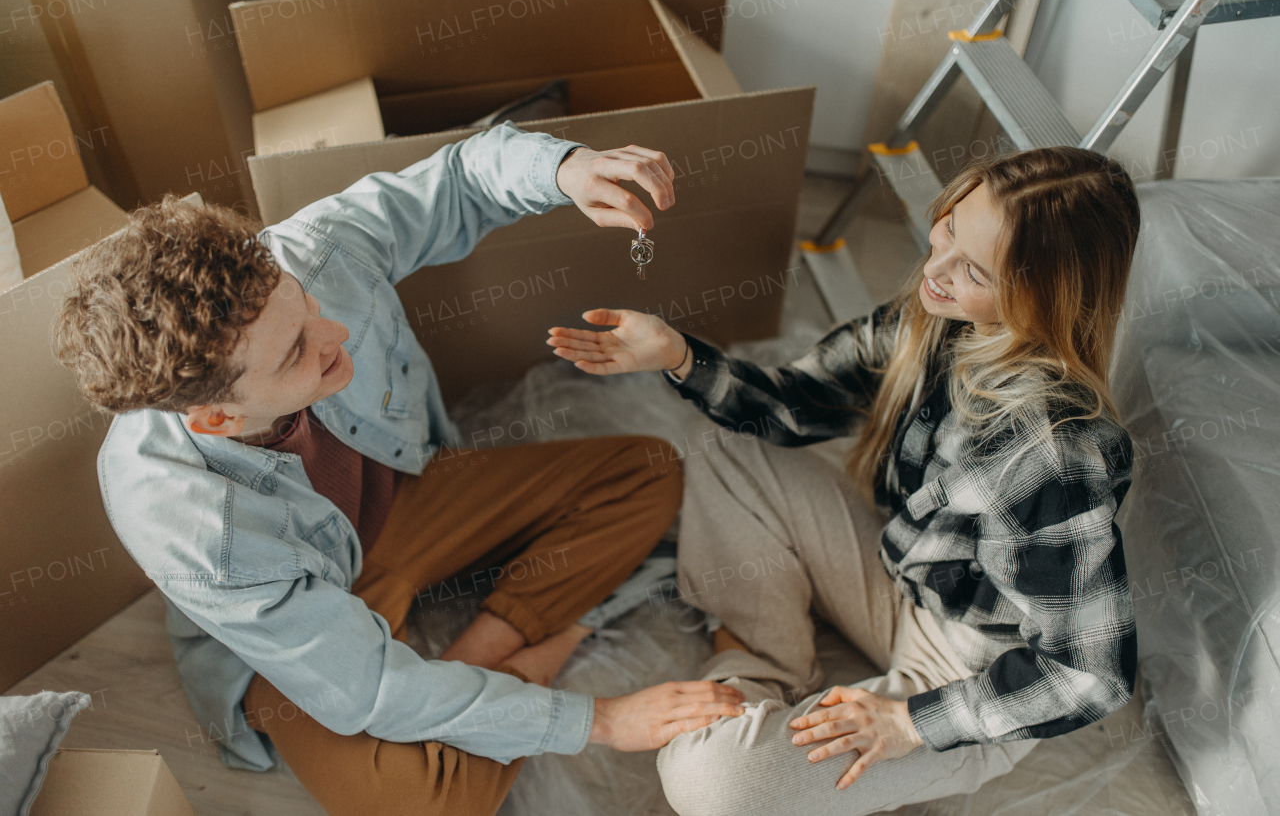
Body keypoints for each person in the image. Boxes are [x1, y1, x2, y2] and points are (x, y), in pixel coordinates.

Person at [52, 121, 743, 816]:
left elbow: (461, 177)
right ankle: (533, 655)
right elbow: (370, 689)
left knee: (648, 469)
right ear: (217, 420)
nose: (334, 335)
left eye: (306, 303)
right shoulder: (194, 526)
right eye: (296, 353)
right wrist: (597, 719)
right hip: (302, 605)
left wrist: (567, 169)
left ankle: (493, 650)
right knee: (424, 802)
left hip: (405, 499)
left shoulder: (304, 253)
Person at [547, 146, 1142, 815]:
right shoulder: (939, 321)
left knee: (709, 782)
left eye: (973, 269)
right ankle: (770, 669)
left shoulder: (1056, 457)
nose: (935, 268)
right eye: (947, 227)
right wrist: (679, 356)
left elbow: (1092, 673)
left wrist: (909, 723)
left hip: (968, 667)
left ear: (1039, 298)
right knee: (721, 443)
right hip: (900, 580)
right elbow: (799, 399)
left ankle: (774, 706)